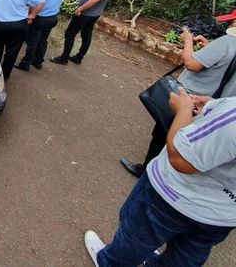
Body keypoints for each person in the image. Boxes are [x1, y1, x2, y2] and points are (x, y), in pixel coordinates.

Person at [85, 90, 236, 267]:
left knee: (136, 238)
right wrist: (215, 109)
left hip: (173, 196)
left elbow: (180, 158)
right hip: (223, 215)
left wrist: (183, 110)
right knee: (185, 256)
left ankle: (109, 262)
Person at [120, 10, 236, 178]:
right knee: (183, 135)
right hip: (209, 103)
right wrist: (208, 48)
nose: (229, 24)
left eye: (232, 21)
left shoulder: (227, 42)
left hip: (191, 96)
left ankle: (147, 171)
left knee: (163, 132)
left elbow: (191, 63)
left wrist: (188, 42)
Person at [15, 0, 66, 71]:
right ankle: (38, 61)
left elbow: (34, 3)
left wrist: (31, 15)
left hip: (40, 18)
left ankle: (25, 63)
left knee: (32, 41)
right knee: (43, 40)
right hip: (53, 17)